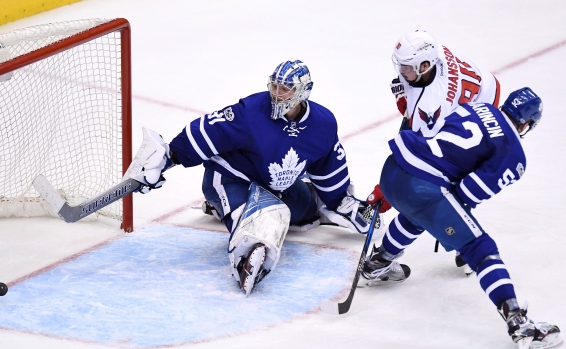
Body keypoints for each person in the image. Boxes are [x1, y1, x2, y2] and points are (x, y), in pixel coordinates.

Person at [123, 59, 380, 296]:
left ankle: (303, 204)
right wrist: (170, 157)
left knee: (303, 209)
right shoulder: (251, 112)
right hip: (231, 178)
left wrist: (339, 201)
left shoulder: (322, 123)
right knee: (262, 215)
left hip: (277, 185)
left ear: (303, 91)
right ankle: (248, 253)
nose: (277, 93)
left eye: (286, 88)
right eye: (275, 86)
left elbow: (329, 165)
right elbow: (208, 131)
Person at [359, 87, 561, 348]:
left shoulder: (479, 107)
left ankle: (378, 263)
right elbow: (469, 191)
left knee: (419, 215)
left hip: (393, 168)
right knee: (481, 249)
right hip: (422, 187)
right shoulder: (514, 154)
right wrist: (452, 231)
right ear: (527, 123)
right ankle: (518, 323)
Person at [367, 29, 503, 271]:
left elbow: (419, 158)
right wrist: (407, 103)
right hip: (484, 90)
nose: (402, 72)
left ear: (426, 65)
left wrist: (386, 191)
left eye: (408, 67)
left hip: (480, 115)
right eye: (401, 65)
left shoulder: (432, 104)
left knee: (430, 195)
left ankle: (465, 240)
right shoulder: (434, 50)